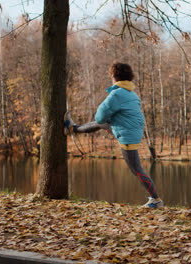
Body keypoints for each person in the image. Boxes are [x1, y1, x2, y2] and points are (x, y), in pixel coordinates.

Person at [64, 62, 163, 208]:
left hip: (127, 135)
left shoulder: (117, 94)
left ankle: (156, 200)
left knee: (136, 170)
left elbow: (99, 116)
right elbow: (122, 115)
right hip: (131, 130)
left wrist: (108, 120)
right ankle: (72, 129)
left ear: (114, 76)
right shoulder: (131, 93)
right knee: (101, 124)